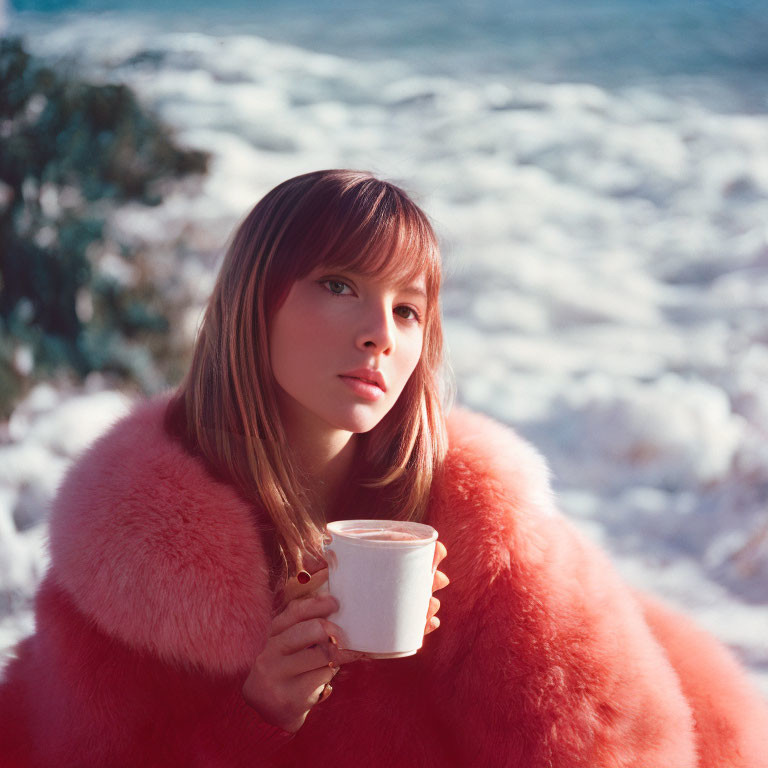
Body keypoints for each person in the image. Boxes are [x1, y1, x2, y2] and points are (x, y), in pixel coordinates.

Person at [0, 169, 766, 767]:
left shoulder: (484, 525)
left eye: (408, 309)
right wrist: (260, 712)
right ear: (251, 301)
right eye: (340, 286)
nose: (380, 335)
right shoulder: (126, 556)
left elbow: (620, 747)